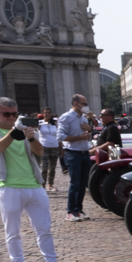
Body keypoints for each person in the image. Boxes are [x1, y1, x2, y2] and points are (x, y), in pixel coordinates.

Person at [0, 98, 77, 262]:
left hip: (33, 185)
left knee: (44, 228)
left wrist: (31, 137)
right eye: (7, 114)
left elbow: (39, 152)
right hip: (8, 186)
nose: (11, 117)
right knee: (13, 231)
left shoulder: (24, 131)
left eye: (14, 114)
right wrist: (15, 131)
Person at [59, 93, 94, 221]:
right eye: (84, 104)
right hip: (73, 153)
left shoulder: (83, 118)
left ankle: (79, 210)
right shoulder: (66, 117)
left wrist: (89, 130)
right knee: (75, 183)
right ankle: (70, 211)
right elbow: (61, 137)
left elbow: (87, 135)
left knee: (83, 183)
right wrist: (79, 137)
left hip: (84, 152)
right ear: (76, 104)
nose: (86, 106)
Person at [37, 109, 62, 190]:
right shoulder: (40, 123)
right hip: (43, 146)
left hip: (54, 146)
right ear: (43, 114)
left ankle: (50, 184)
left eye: (48, 113)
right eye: (45, 113)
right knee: (44, 167)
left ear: (51, 114)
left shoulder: (55, 123)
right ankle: (42, 185)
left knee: (52, 168)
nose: (47, 114)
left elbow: (59, 136)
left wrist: (61, 148)